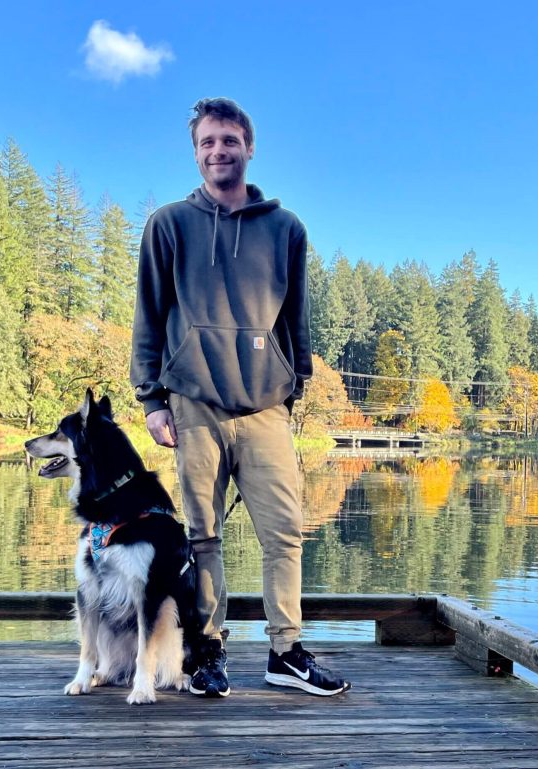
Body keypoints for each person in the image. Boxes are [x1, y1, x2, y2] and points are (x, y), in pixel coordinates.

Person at [130, 97, 350, 698]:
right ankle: (208, 652)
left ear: (249, 147)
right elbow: (149, 316)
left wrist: (294, 383)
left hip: (265, 409)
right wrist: (152, 400)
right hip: (194, 404)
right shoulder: (169, 224)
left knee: (286, 532)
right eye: (207, 142)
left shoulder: (286, 229)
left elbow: (296, 319)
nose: (218, 151)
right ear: (195, 151)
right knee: (202, 536)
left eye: (229, 140)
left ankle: (286, 653)